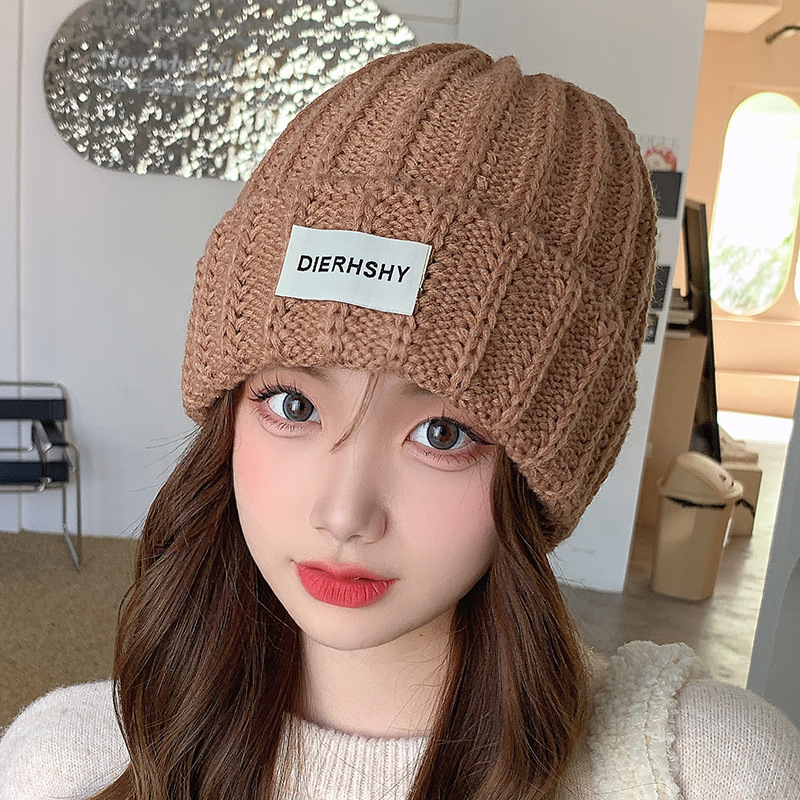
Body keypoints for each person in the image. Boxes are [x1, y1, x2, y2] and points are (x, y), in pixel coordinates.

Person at [1, 42, 799, 800]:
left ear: (549, 466)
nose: (343, 513)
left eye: (443, 433)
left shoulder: (705, 772)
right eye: (293, 405)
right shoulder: (63, 762)